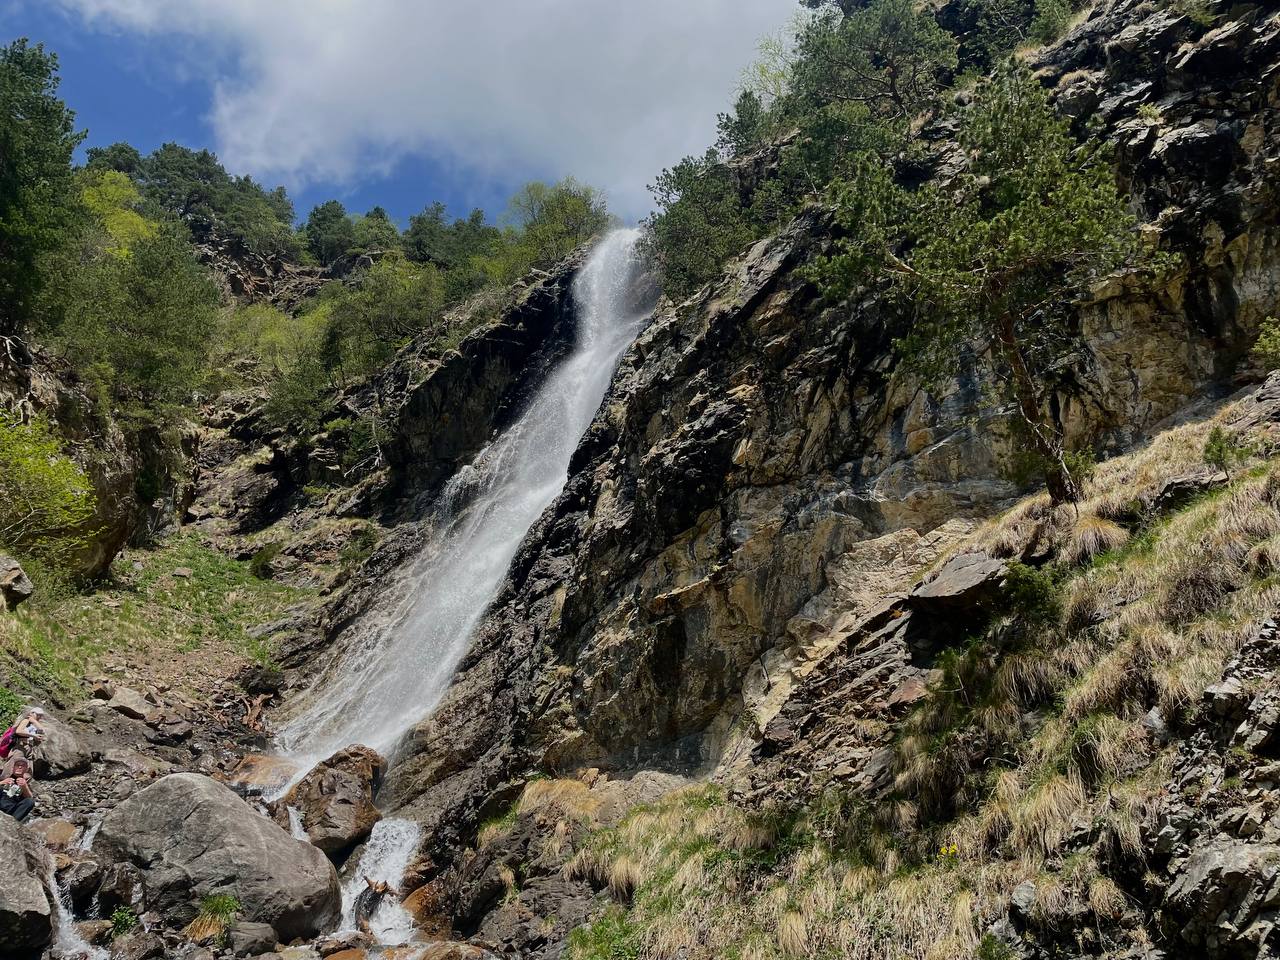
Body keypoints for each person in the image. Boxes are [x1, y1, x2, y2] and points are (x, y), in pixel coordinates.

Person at [0, 754, 35, 822]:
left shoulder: (26, 784)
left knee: (29, 801)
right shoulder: (3, 777)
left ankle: (12, 822)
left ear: (26, 769)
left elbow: (30, 798)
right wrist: (2, 783)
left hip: (12, 810)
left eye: (23, 766)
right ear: (13, 768)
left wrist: (24, 787)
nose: (19, 767)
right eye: (17, 765)